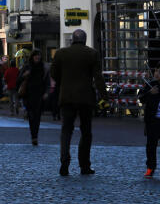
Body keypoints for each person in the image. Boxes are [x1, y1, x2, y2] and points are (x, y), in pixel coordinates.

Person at [51, 28, 107, 176]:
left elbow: (53, 74)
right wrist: (104, 95)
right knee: (86, 132)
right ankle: (84, 165)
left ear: (72, 40)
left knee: (66, 130)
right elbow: (98, 77)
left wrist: (64, 83)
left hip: (67, 97)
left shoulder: (61, 53)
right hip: (85, 97)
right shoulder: (92, 54)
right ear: (85, 39)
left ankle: (64, 162)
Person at [18, 50, 49, 145]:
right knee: (31, 116)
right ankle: (33, 136)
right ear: (32, 57)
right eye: (36, 56)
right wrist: (24, 75)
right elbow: (19, 79)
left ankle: (35, 135)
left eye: (39, 56)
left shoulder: (43, 68)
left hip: (39, 94)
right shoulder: (27, 67)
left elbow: (47, 81)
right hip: (28, 94)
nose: (37, 58)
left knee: (38, 116)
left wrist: (46, 92)